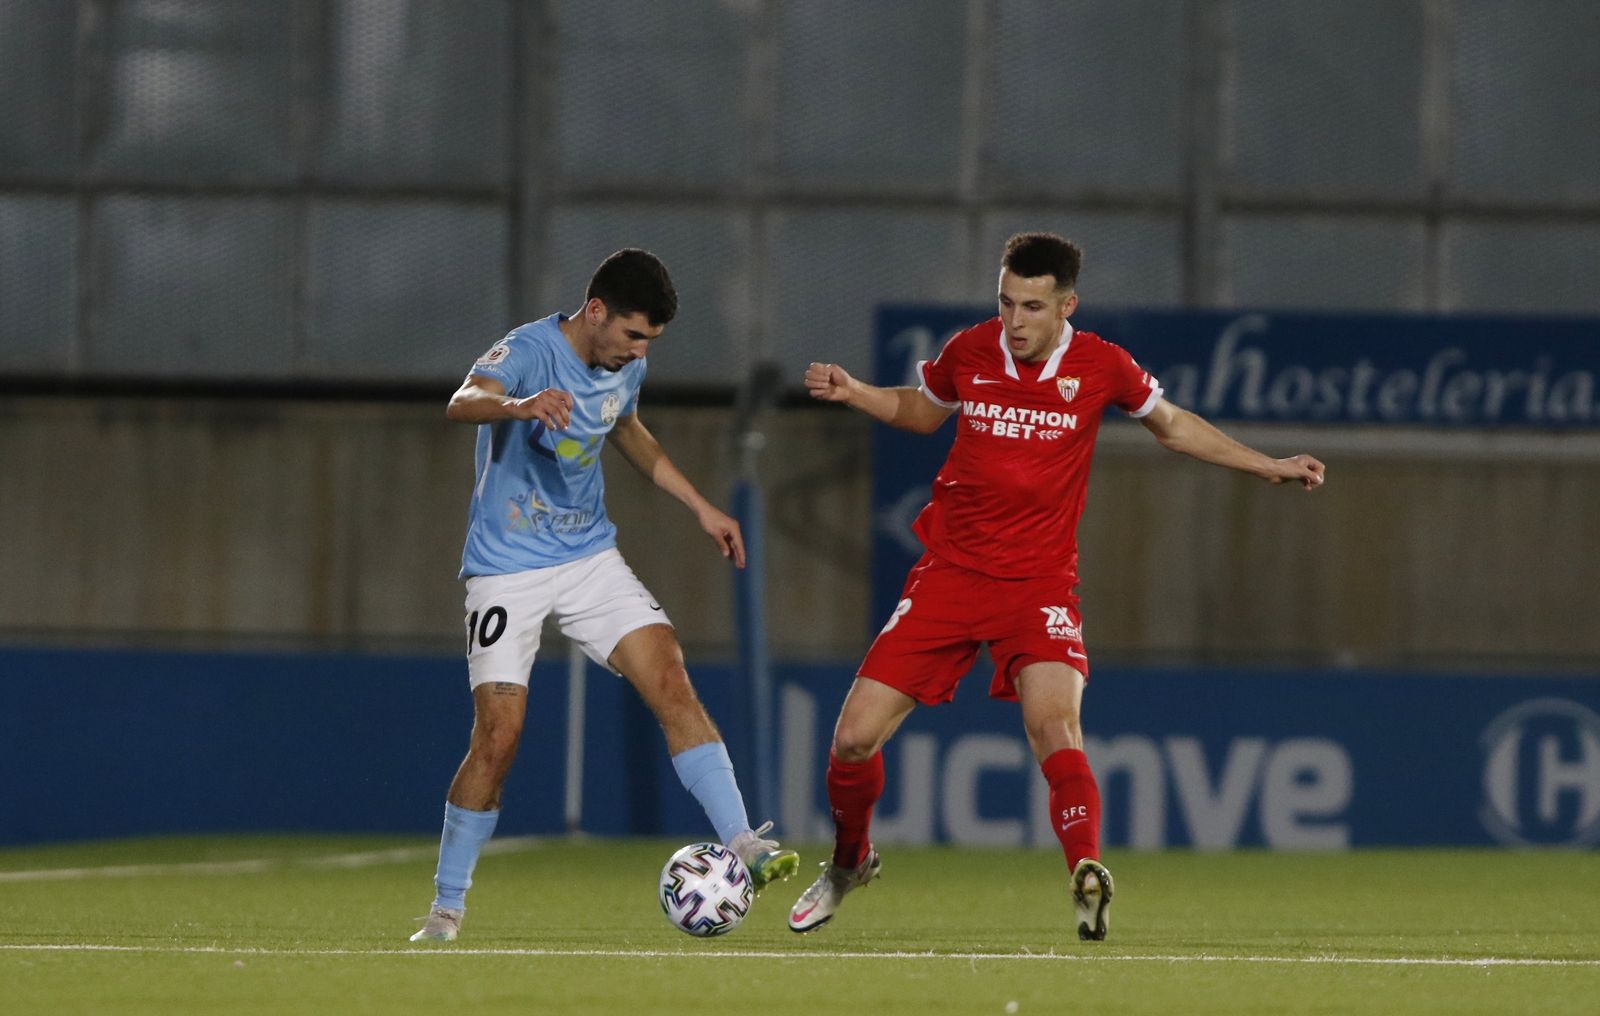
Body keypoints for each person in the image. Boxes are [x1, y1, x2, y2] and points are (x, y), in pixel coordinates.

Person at [787, 232, 1325, 941]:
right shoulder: (972, 350)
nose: (1015, 321)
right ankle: (850, 862)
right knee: (853, 740)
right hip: (949, 573)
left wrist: (1265, 465)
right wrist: (857, 391)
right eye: (1006, 302)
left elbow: (1173, 426)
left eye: (1033, 307)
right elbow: (922, 411)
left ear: (1067, 305)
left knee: (1054, 725)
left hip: (1038, 583)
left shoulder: (1103, 365)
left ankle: (1086, 874)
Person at [409, 248, 799, 942]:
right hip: (507, 567)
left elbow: (627, 429)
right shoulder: (529, 350)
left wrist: (700, 506)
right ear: (596, 313)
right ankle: (447, 905)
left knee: (670, 675)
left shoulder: (626, 367)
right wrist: (521, 403)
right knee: (499, 739)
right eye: (632, 335)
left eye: (649, 341)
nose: (639, 350)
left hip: (588, 556)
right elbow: (462, 400)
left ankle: (740, 841)